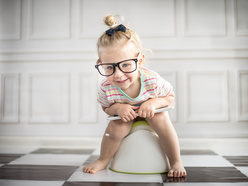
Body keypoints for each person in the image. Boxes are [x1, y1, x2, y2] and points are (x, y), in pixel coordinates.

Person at [83, 15, 186, 178]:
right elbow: (105, 107)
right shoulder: (106, 87)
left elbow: (170, 97)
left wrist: (153, 103)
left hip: (152, 115)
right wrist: (117, 108)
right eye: (109, 67)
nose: (118, 74)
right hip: (125, 118)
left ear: (140, 61)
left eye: (126, 65)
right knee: (115, 129)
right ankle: (103, 159)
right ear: (100, 63)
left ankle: (175, 161)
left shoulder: (152, 80)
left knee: (161, 119)